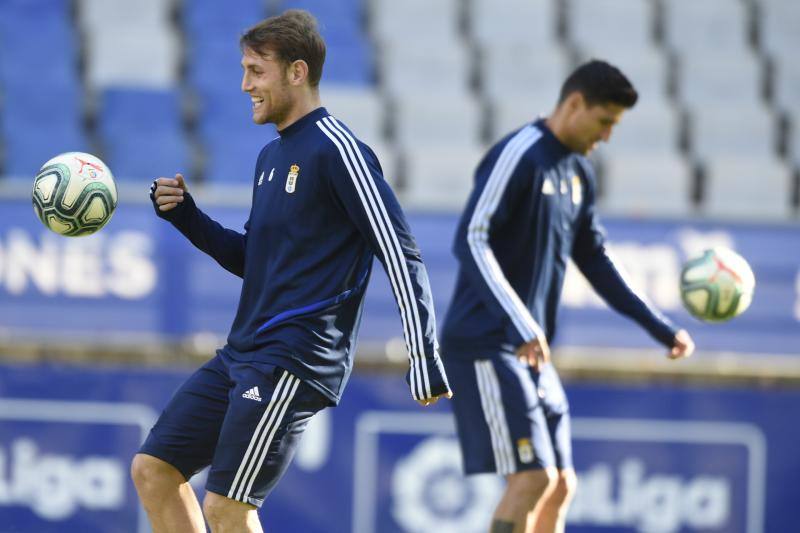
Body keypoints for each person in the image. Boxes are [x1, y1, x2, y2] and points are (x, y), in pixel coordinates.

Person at [130, 10, 451, 533]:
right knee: (154, 470)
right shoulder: (271, 157)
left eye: (256, 71)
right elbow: (254, 263)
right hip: (245, 352)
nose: (244, 85)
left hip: (294, 358)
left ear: (296, 72)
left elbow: (399, 251)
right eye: (244, 70)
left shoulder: (339, 151)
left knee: (228, 506)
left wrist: (423, 352)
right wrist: (186, 217)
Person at [440, 60, 695, 533]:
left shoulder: (579, 171)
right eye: (605, 122)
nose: (607, 136)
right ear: (574, 104)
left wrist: (659, 327)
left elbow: (595, 259)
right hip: (486, 341)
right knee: (533, 477)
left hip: (528, 349)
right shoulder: (520, 154)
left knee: (561, 484)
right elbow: (471, 239)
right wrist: (521, 323)